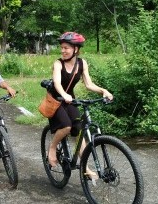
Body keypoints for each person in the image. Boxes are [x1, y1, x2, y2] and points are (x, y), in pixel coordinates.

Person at [47, 32, 113, 179]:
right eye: (62, 48)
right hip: (57, 98)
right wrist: (64, 95)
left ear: (76, 49)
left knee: (79, 130)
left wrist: (103, 91)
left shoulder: (82, 63)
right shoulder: (58, 64)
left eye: (66, 48)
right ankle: (52, 148)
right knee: (66, 126)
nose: (63, 51)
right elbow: (57, 83)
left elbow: (89, 84)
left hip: (71, 99)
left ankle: (85, 168)